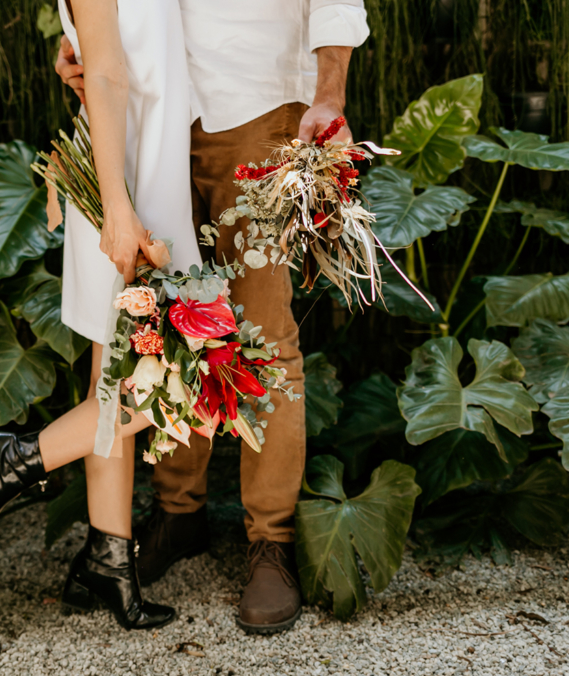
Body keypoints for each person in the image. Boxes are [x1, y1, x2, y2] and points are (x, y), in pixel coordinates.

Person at [55, 0, 370, 634]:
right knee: (170, 322)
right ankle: (180, 511)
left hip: (257, 102)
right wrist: (87, 44)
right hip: (155, 110)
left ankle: (271, 542)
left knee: (262, 334)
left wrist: (329, 93)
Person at [0, 0, 201, 631]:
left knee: (114, 383)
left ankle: (109, 561)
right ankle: (12, 461)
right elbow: (111, 72)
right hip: (125, 179)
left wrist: (76, 54)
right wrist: (118, 208)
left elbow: (112, 57)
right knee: (175, 379)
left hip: (138, 163)